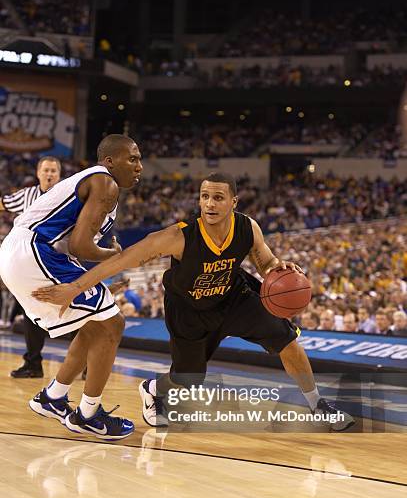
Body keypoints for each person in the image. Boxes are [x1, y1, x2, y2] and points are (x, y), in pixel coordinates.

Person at [33, 172, 355, 432]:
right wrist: (76, 287)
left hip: (234, 298)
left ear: (233, 201)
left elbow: (265, 261)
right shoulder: (179, 235)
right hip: (188, 311)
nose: (210, 204)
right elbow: (123, 261)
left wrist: (277, 268)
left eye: (218, 197)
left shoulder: (247, 227)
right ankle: (153, 390)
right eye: (204, 197)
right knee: (187, 382)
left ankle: (317, 404)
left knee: (287, 341)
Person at [0, 134, 143, 440]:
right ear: (109, 161)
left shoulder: (99, 186)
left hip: (30, 254)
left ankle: (53, 396)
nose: (139, 166)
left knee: (95, 325)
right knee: (113, 324)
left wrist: (105, 272)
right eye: (132, 158)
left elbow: (77, 248)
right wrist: (118, 256)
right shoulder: (106, 184)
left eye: (139, 160)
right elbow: (80, 246)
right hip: (35, 251)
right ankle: (88, 415)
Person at [0, 157, 61, 377]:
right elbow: (3, 204)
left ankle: (83, 363)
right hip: (30, 262)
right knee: (30, 311)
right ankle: (33, 363)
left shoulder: (67, 195)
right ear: (38, 173)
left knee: (73, 309)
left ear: (59, 174)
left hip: (57, 260)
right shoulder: (27, 195)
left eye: (54, 171)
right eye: (46, 170)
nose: (49, 174)